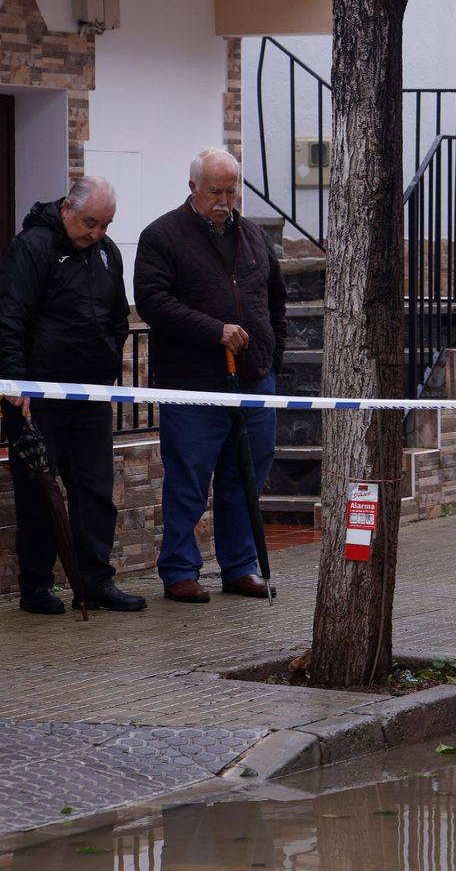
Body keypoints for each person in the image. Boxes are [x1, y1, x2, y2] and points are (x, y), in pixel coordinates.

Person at [134, 149, 286, 604]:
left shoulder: (254, 237)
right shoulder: (162, 236)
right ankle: (180, 569)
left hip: (254, 380)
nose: (224, 200)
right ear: (193, 189)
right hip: (192, 382)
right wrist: (214, 331)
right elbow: (153, 302)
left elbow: (274, 301)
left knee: (247, 476)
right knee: (189, 478)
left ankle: (239, 566)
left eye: (230, 190)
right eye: (214, 191)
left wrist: (273, 354)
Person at [0, 175, 144, 615]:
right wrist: (16, 381)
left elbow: (118, 318)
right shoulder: (33, 247)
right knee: (39, 492)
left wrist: (108, 367)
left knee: (95, 491)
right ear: (66, 209)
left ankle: (96, 580)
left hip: (90, 395)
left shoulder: (107, 253)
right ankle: (36, 585)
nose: (96, 233)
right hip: (37, 397)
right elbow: (10, 318)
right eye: (90, 222)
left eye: (105, 225)